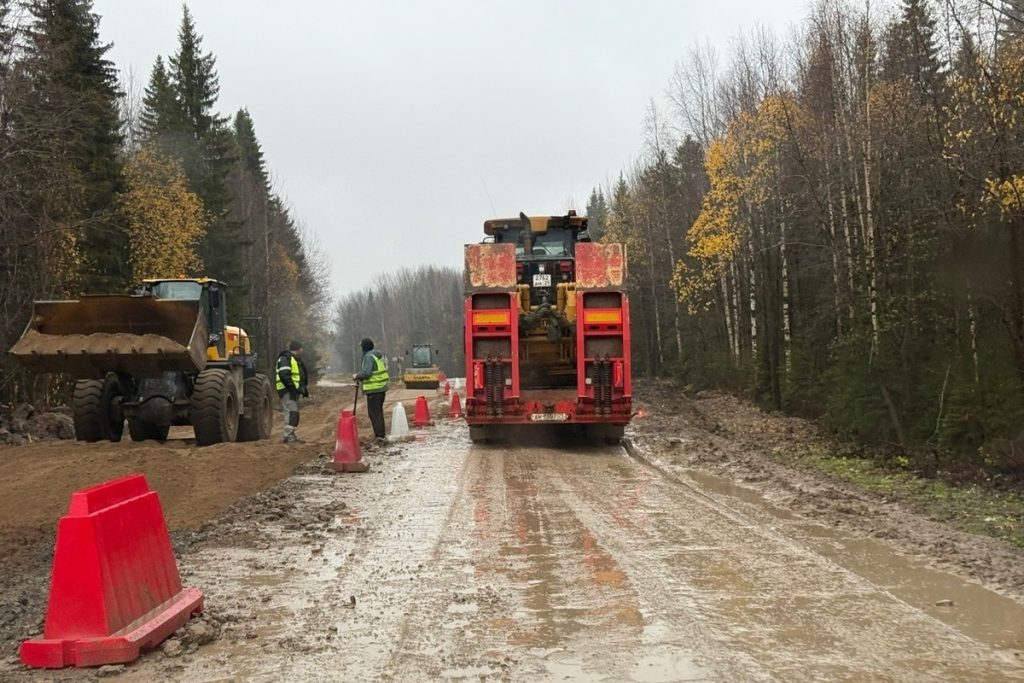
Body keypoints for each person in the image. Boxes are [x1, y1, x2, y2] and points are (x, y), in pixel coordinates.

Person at [353, 337, 388, 443]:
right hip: (380, 388)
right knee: (378, 412)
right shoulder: (377, 355)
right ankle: (381, 435)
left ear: (364, 347)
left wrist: (357, 376)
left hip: (374, 390)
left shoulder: (368, 357)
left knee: (374, 413)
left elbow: (367, 372)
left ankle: (380, 437)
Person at [276, 340, 308, 443]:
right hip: (286, 390)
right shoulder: (286, 358)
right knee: (291, 412)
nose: (302, 350)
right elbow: (284, 375)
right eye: (301, 348)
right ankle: (288, 436)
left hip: (290, 390)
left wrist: (301, 389)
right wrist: (293, 388)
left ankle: (291, 435)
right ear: (298, 349)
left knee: (293, 412)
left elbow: (298, 376)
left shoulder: (294, 359)